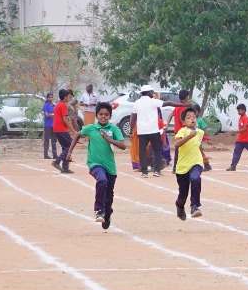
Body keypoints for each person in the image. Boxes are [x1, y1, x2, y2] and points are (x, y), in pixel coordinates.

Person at [66, 101, 125, 229]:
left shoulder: (113, 129)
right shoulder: (91, 128)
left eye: (106, 114)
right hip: (95, 163)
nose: (103, 116)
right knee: (102, 180)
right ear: (96, 116)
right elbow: (77, 134)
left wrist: (109, 140)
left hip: (110, 166)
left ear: (110, 116)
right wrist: (70, 152)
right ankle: (99, 210)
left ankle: (107, 213)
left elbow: (123, 145)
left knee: (109, 197)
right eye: (101, 114)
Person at [171, 106, 210, 220]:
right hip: (183, 167)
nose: (192, 119)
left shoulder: (199, 132)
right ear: (183, 121)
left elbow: (197, 145)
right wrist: (189, 136)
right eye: (188, 117)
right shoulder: (182, 131)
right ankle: (180, 206)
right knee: (183, 195)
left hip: (196, 163)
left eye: (194, 117)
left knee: (195, 179)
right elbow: (177, 144)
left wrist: (203, 156)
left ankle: (194, 206)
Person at [131, 87, 164, 176]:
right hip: (153, 130)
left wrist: (131, 131)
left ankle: (144, 172)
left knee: (142, 150)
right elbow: (168, 103)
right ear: (148, 92)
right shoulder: (153, 101)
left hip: (142, 131)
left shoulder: (137, 103)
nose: (152, 93)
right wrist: (181, 105)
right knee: (157, 149)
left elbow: (133, 119)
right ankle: (157, 170)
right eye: (152, 92)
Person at [51, 88, 77, 171]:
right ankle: (57, 161)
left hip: (57, 129)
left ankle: (65, 167)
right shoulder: (63, 105)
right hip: (61, 129)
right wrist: (73, 130)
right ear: (65, 97)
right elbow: (64, 119)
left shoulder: (59, 104)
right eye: (68, 96)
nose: (69, 98)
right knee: (70, 146)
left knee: (65, 147)